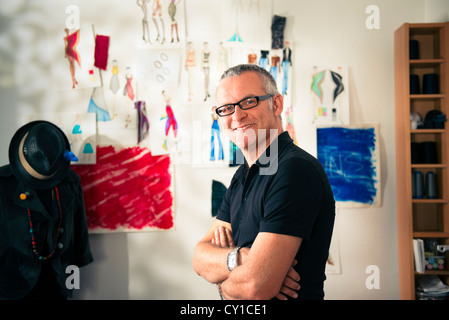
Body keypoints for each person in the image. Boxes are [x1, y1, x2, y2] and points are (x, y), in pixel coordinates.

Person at [192, 64, 335, 300]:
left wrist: (221, 284)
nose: (236, 116)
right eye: (226, 108)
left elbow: (254, 287)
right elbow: (199, 257)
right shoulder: (242, 176)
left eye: (248, 102)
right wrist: (242, 258)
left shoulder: (295, 170)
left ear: (276, 104)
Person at [0, 121, 93, 300]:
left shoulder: (70, 182)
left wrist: (73, 283)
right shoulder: (3, 184)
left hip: (58, 283)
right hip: (13, 284)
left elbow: (78, 234)